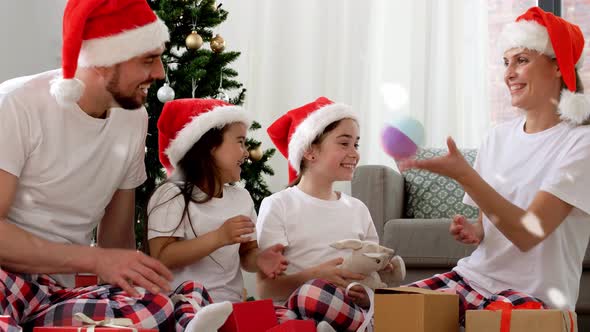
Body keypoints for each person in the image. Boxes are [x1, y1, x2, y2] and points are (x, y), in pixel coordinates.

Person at [0, 1, 231, 331]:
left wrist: (138, 280)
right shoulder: (16, 103)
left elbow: (117, 239)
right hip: (5, 278)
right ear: (102, 63)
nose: (160, 73)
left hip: (56, 294)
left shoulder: (133, 119)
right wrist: (95, 260)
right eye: (148, 60)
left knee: (164, 303)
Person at [398, 6, 590, 325]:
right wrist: (474, 230)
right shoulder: (497, 137)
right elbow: (488, 226)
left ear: (558, 67)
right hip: (473, 280)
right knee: (389, 313)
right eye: (506, 62)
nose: (508, 73)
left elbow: (529, 232)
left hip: (535, 297)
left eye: (522, 60)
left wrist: (466, 175)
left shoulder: (581, 144)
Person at [257, 97, 405, 331]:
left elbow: (371, 277)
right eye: (344, 143)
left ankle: (360, 323)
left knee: (387, 300)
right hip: (297, 308)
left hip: (346, 309)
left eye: (356, 144)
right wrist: (315, 276)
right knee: (307, 297)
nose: (354, 153)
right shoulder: (279, 205)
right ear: (310, 151)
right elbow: (265, 290)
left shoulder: (357, 209)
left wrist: (365, 294)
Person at [147, 98, 288, 304]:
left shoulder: (242, 198)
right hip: (182, 302)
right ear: (209, 146)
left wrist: (260, 259)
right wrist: (219, 237)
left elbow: (246, 252)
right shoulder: (172, 194)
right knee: (193, 303)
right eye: (240, 142)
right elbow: (162, 257)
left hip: (230, 303)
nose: (247, 152)